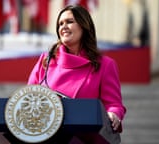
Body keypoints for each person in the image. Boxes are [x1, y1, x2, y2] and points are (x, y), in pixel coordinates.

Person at [27, 4, 126, 143]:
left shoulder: (105, 64)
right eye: (60, 24)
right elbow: (28, 97)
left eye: (70, 22)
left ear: (84, 26)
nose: (63, 27)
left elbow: (113, 103)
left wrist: (114, 114)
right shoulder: (46, 60)